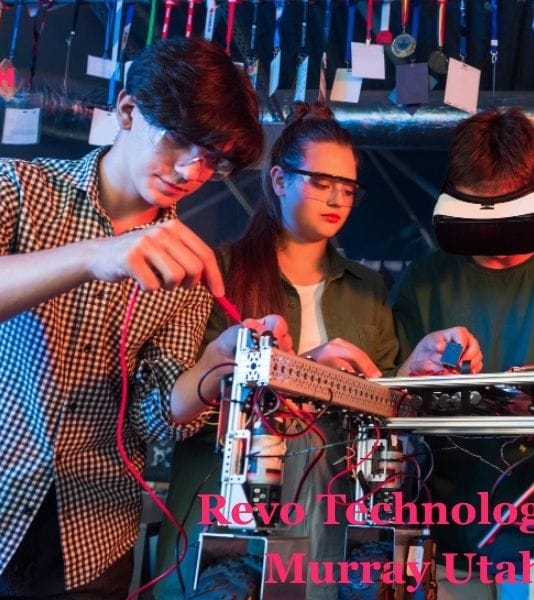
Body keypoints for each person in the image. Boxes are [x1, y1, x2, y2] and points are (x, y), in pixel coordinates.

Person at [0, 37, 288, 597]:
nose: (192, 169)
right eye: (178, 139)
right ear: (127, 110)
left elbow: (153, 420)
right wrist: (93, 256)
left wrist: (215, 367)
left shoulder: (188, 266)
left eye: (213, 158)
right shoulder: (13, 187)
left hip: (91, 538)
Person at [156, 102, 462, 598]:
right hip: (228, 527)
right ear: (279, 180)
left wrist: (414, 367)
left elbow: (381, 411)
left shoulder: (367, 288)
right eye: (321, 182)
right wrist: (300, 375)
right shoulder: (219, 272)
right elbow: (178, 408)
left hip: (330, 524)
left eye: (348, 188)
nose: (337, 198)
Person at [392, 107, 534, 596]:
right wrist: (415, 368)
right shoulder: (424, 281)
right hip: (445, 535)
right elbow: (390, 409)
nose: (495, 238)